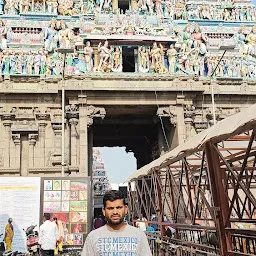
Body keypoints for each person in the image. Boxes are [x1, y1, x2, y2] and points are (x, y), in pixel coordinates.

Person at [81, 190, 152, 256]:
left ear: (126, 209)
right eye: (110, 208)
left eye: (119, 208)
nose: (115, 212)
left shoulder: (139, 235)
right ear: (104, 211)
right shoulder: (93, 237)